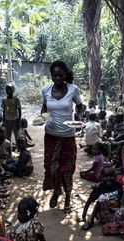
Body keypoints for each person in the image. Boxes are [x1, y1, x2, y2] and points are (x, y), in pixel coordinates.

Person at [41, 60, 83, 213]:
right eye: (54, 75)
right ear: (51, 76)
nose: (57, 77)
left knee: (67, 169)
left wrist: (80, 116)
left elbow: (80, 106)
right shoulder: (45, 90)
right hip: (51, 135)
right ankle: (56, 191)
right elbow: (44, 107)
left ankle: (67, 197)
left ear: (65, 74)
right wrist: (42, 118)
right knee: (51, 169)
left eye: (60, 75)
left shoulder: (73, 89)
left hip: (67, 136)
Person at [81, 165, 123, 230]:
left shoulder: (118, 185)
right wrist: (84, 215)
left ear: (114, 176)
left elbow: (122, 200)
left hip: (116, 211)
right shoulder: (99, 187)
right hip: (104, 213)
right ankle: (91, 221)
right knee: (102, 198)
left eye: (111, 176)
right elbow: (89, 201)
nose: (108, 178)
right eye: (106, 176)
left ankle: (114, 221)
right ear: (102, 177)